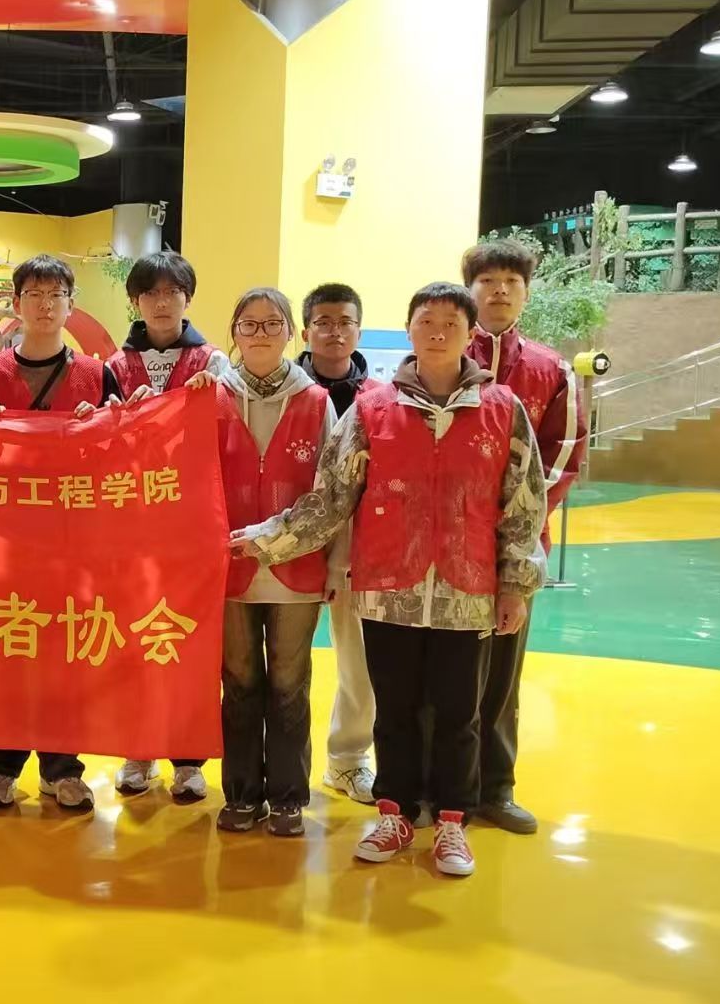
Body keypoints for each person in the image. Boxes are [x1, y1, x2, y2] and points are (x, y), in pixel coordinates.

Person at [232, 282, 546, 878]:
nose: (437, 331)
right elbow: (331, 496)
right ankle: (395, 814)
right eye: (426, 320)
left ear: (469, 333)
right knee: (393, 710)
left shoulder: (502, 410)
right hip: (386, 589)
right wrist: (270, 539)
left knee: (460, 714)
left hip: (466, 591)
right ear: (408, 330)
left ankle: (451, 823)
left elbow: (523, 506)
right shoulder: (373, 409)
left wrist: (515, 585)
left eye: (451, 322)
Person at [0, 253, 124, 812]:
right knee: (8, 648)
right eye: (33, 294)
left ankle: (63, 768)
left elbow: (118, 459)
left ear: (71, 304)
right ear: (16, 304)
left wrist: (104, 427)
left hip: (72, 539)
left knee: (66, 651)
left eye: (55, 294)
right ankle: (1, 766)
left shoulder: (98, 376)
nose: (44, 304)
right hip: (3, 539)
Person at [464, 239, 584, 835]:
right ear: (470, 290)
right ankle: (434, 786)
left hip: (517, 548)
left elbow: (566, 452)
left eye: (511, 281)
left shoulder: (550, 369)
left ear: (526, 293)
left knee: (503, 672)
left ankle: (496, 788)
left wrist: (516, 520)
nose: (500, 291)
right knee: (441, 667)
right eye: (488, 280)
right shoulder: (440, 356)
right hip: (446, 544)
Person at [213, 289, 343, 837]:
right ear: (235, 333)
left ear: (291, 332)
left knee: (290, 684)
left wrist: (336, 566)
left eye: (272, 324)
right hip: (229, 569)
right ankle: (242, 794)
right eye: (249, 324)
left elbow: (335, 493)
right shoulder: (210, 397)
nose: (260, 333)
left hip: (299, 569)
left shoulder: (317, 401)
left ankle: (289, 797)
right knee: (239, 682)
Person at [105, 250, 230, 802]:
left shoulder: (214, 361)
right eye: (150, 293)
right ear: (135, 301)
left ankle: (187, 757)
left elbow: (226, 434)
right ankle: (138, 749)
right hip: (131, 526)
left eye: (172, 292)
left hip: (192, 524)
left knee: (187, 638)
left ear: (187, 298)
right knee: (134, 637)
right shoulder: (113, 365)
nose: (161, 302)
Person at [297, 283, 381, 806]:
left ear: (358, 330)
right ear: (305, 331)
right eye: (323, 322)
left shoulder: (380, 400)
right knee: (279, 668)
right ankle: (275, 766)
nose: (334, 332)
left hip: (357, 552)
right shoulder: (283, 391)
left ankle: (347, 761)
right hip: (286, 543)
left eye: (345, 322)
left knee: (359, 662)